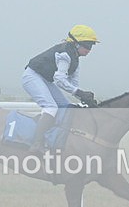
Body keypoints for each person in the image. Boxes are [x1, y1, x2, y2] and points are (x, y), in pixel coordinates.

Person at [22, 24, 100, 153]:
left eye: (91, 46)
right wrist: (79, 92)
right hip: (32, 77)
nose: (89, 49)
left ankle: (53, 137)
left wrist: (84, 98)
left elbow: (73, 85)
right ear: (76, 44)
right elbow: (59, 79)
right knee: (51, 107)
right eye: (87, 45)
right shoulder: (65, 55)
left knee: (66, 107)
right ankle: (36, 143)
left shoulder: (75, 58)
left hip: (45, 79)